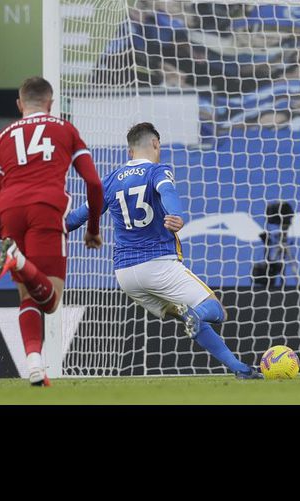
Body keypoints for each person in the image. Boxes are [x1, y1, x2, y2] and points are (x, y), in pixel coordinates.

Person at [65, 122, 262, 379]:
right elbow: (167, 191)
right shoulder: (158, 171)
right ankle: (198, 319)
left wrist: (45, 231)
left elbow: (77, 217)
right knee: (213, 309)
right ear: (156, 144)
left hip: (125, 275)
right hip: (158, 265)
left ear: (129, 152)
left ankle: (241, 370)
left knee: (188, 318)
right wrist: (176, 215)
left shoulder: (110, 180)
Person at [0, 76, 104, 387]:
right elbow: (93, 183)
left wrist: (3, 235)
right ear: (50, 104)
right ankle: (19, 260)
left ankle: (35, 366)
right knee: (51, 302)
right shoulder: (65, 129)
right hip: (46, 208)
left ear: (19, 104)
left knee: (28, 296)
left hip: (8, 209)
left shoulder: (2, 137)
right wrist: (92, 228)